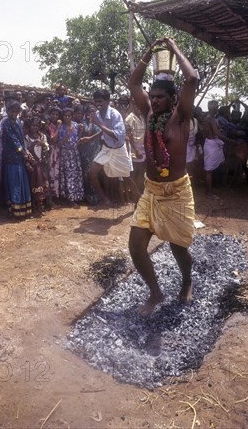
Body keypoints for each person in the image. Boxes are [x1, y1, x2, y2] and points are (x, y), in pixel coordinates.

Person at [128, 37, 198, 315]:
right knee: (135, 246)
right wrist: (147, 54)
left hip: (178, 192)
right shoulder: (148, 114)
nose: (154, 100)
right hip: (152, 191)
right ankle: (155, 293)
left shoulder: (181, 117)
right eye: (152, 96)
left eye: (160, 97)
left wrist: (173, 48)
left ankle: (187, 282)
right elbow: (134, 84)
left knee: (178, 248)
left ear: (173, 100)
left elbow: (191, 78)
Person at [89, 89, 135, 205]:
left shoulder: (115, 114)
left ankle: (140, 199)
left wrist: (98, 124)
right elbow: (104, 131)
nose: (98, 104)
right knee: (92, 173)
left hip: (119, 149)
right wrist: (90, 138)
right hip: (107, 148)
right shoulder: (98, 115)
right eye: (96, 102)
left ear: (108, 101)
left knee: (127, 177)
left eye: (100, 101)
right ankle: (105, 200)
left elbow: (117, 136)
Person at [0, 100, 32, 218]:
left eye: (16, 112)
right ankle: (15, 210)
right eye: (12, 111)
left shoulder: (18, 121)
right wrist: (24, 152)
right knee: (14, 183)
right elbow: (14, 140)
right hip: (11, 157)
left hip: (20, 157)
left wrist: (26, 151)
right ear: (7, 111)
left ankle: (23, 209)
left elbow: (21, 138)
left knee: (21, 181)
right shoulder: (5, 123)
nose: (14, 114)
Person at [54, 107, 84, 204]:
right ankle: (70, 198)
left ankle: (77, 196)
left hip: (74, 152)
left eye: (69, 115)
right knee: (68, 174)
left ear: (72, 116)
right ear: (63, 117)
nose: (67, 117)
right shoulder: (61, 127)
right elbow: (60, 143)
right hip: (66, 153)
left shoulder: (75, 125)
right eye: (65, 116)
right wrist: (68, 133)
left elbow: (77, 140)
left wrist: (81, 132)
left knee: (76, 174)